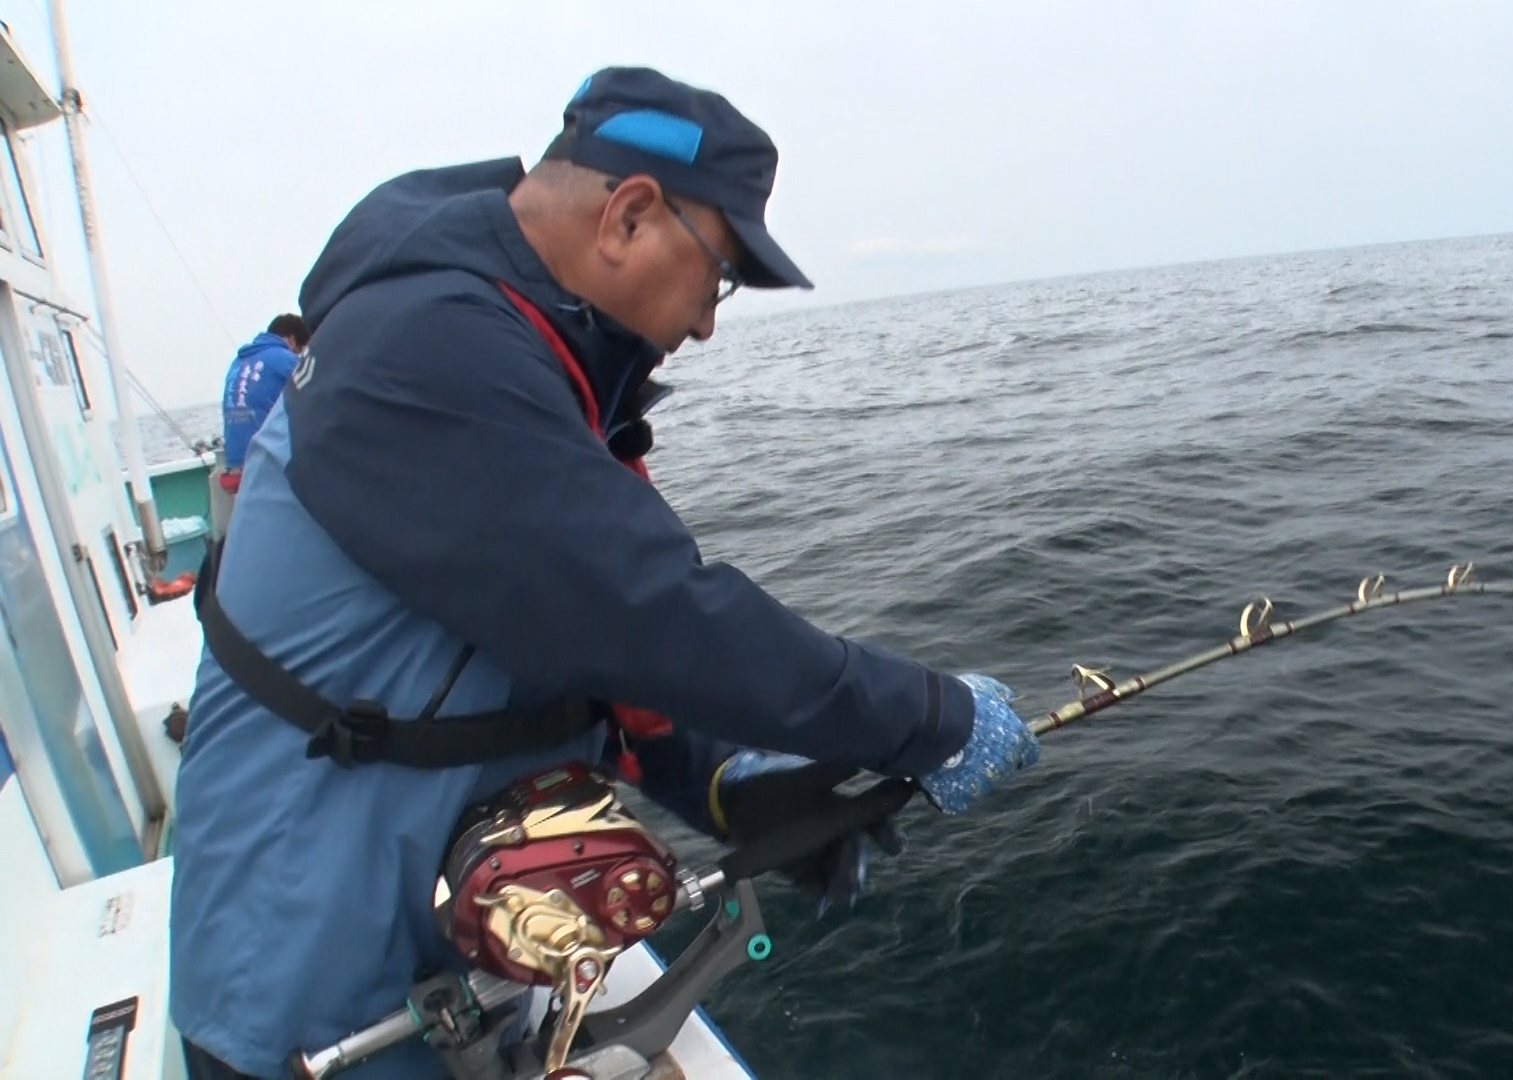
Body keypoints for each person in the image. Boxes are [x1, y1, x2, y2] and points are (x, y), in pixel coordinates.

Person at [169, 67, 1040, 1079]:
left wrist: (726, 782)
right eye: (718, 278)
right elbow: (649, 613)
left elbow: (562, 631)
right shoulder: (434, 349)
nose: (710, 323)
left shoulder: (501, 342)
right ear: (629, 215)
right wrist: (932, 718)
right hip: (301, 999)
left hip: (419, 955)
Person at [216, 313, 310, 494]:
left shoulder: (237, 363)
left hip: (234, 466)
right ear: (291, 340)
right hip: (264, 466)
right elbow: (319, 391)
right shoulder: (285, 359)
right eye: (300, 350)